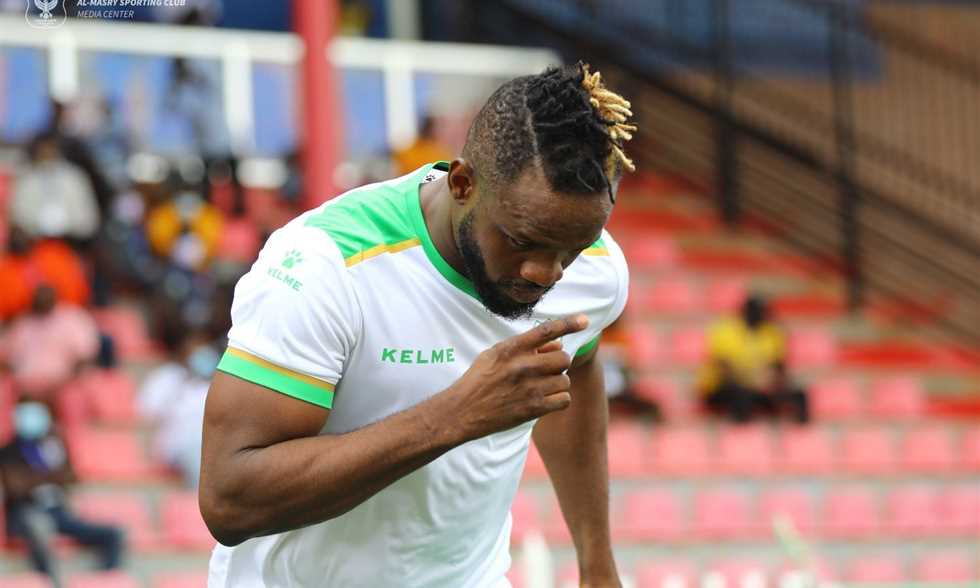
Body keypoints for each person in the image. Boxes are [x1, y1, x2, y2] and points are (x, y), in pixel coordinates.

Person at [200, 63, 634, 587]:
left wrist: (596, 560)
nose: (548, 273)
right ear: (462, 183)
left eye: (573, 248)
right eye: (522, 241)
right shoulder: (326, 265)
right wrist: (457, 414)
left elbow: (575, 370)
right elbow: (229, 499)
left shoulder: (595, 269)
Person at [0, 401, 124, 583]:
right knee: (39, 527)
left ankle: (105, 580)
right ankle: (48, 581)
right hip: (25, 512)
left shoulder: (53, 447)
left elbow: (70, 478)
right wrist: (46, 477)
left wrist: (49, 470)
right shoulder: (7, 452)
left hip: (57, 512)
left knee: (113, 534)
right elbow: (16, 486)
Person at [698, 295, 810, 424]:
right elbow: (724, 369)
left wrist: (773, 383)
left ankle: (800, 431)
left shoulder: (771, 333)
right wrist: (753, 381)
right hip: (723, 387)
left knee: (799, 395)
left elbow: (778, 366)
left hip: (758, 387)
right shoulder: (726, 331)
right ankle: (740, 428)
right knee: (741, 394)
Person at [139, 328, 217, 488]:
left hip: (207, 446)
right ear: (186, 352)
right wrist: (178, 389)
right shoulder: (168, 377)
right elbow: (147, 411)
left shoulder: (212, 385)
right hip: (175, 445)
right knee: (196, 449)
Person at [0, 285, 100, 400]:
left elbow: (86, 355)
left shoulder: (72, 319)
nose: (43, 298)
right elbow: (6, 356)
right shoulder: (22, 323)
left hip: (63, 385)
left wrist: (66, 380)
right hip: (24, 387)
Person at [11, 132, 101, 244]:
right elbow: (19, 217)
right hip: (35, 243)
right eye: (43, 151)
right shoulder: (26, 179)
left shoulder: (74, 176)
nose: (47, 154)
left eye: (50, 150)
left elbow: (88, 218)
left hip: (73, 243)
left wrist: (69, 227)